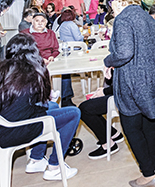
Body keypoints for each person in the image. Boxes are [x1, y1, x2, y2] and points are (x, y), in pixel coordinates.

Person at [103, 0, 155, 187]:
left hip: (132, 81)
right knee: (149, 122)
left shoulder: (123, 19)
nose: (111, 7)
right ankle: (154, 167)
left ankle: (148, 174)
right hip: (151, 78)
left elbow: (125, 52)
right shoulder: (146, 16)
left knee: (131, 127)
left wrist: (108, 61)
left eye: (112, 2)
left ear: (119, 0)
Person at [0, 33, 80, 181]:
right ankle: (55, 167)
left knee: (53, 106)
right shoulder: (34, 72)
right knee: (74, 113)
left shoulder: (3, 69)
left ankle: (36, 159)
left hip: (3, 126)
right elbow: (41, 103)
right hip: (19, 129)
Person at [78, 71, 125, 159]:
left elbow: (124, 84)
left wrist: (104, 91)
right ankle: (113, 134)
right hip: (121, 93)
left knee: (84, 109)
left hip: (124, 97)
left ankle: (108, 145)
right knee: (90, 106)